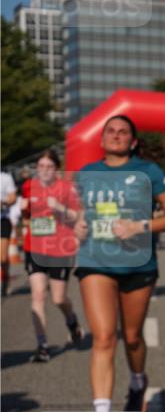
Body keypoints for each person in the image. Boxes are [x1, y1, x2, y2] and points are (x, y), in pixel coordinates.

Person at [74, 115, 165, 412]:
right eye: (111, 131)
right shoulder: (87, 173)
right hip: (96, 260)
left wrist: (139, 226)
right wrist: (77, 225)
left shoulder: (149, 172)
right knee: (104, 337)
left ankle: (137, 381)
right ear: (101, 139)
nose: (116, 136)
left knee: (132, 338)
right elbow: (78, 214)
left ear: (133, 141)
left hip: (137, 264)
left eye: (123, 132)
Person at [21, 150, 84, 362]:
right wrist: (23, 209)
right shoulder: (29, 186)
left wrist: (60, 208)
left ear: (56, 169)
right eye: (41, 166)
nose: (44, 170)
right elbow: (26, 214)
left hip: (60, 249)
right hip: (34, 247)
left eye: (49, 166)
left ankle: (72, 321)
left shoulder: (66, 188)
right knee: (38, 295)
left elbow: (78, 215)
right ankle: (42, 346)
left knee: (58, 298)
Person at [1, 169, 17, 296]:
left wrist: (4, 202)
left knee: (2, 257)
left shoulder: (5, 177)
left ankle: (5, 279)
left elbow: (13, 197)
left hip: (3, 220)